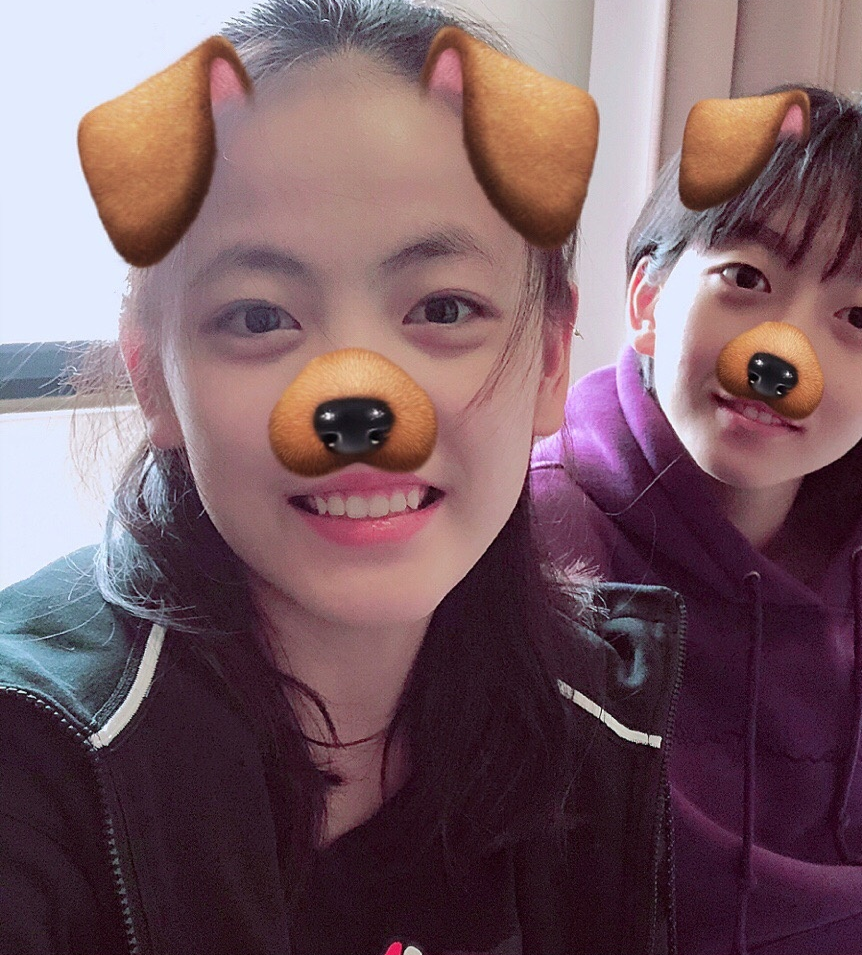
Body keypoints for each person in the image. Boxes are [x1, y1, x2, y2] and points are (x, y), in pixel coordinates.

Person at [0, 2, 684, 953]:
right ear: (153, 375)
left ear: (553, 357)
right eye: (257, 317)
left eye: (443, 308)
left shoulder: (599, 717)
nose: (358, 405)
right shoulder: (31, 758)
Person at [531, 86, 862, 954]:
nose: (780, 355)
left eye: (861, 317)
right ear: (647, 302)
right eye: (746, 278)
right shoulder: (524, 528)